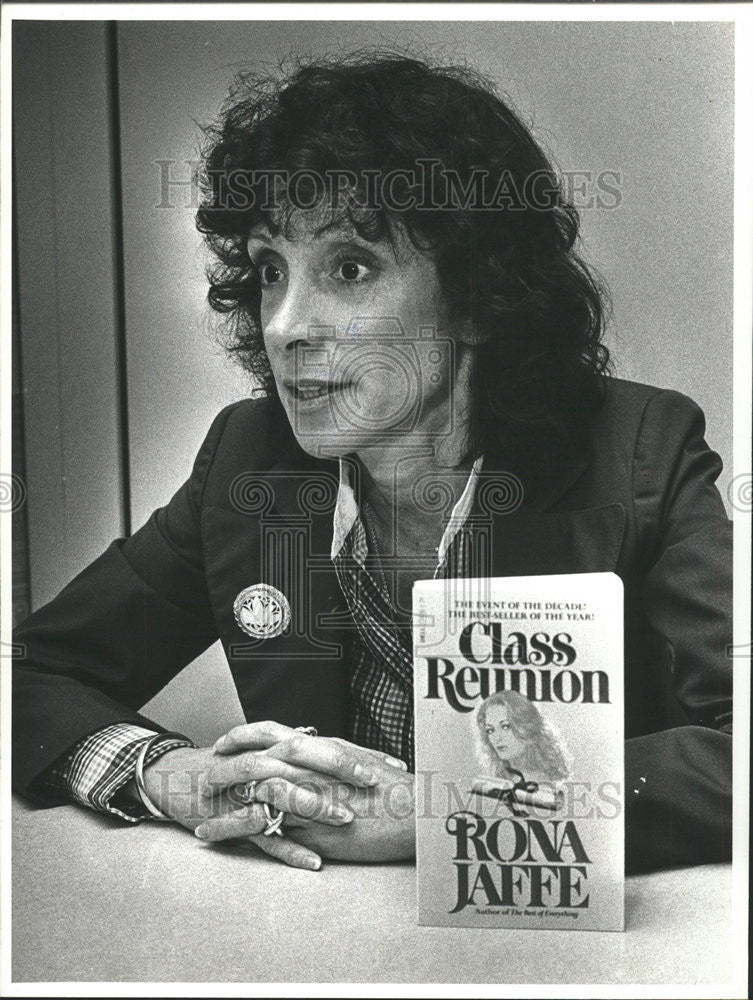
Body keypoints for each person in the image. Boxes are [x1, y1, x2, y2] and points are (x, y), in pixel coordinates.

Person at [12, 53, 732, 875]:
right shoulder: (247, 464)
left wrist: (449, 819)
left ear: (476, 297)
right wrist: (163, 774)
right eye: (270, 270)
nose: (284, 325)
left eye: (349, 268)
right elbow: (29, 674)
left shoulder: (641, 452)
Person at [474, 690, 571, 786]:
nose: (497, 738)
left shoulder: (539, 785)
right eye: (490, 730)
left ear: (526, 727)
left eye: (505, 727)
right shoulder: (504, 781)